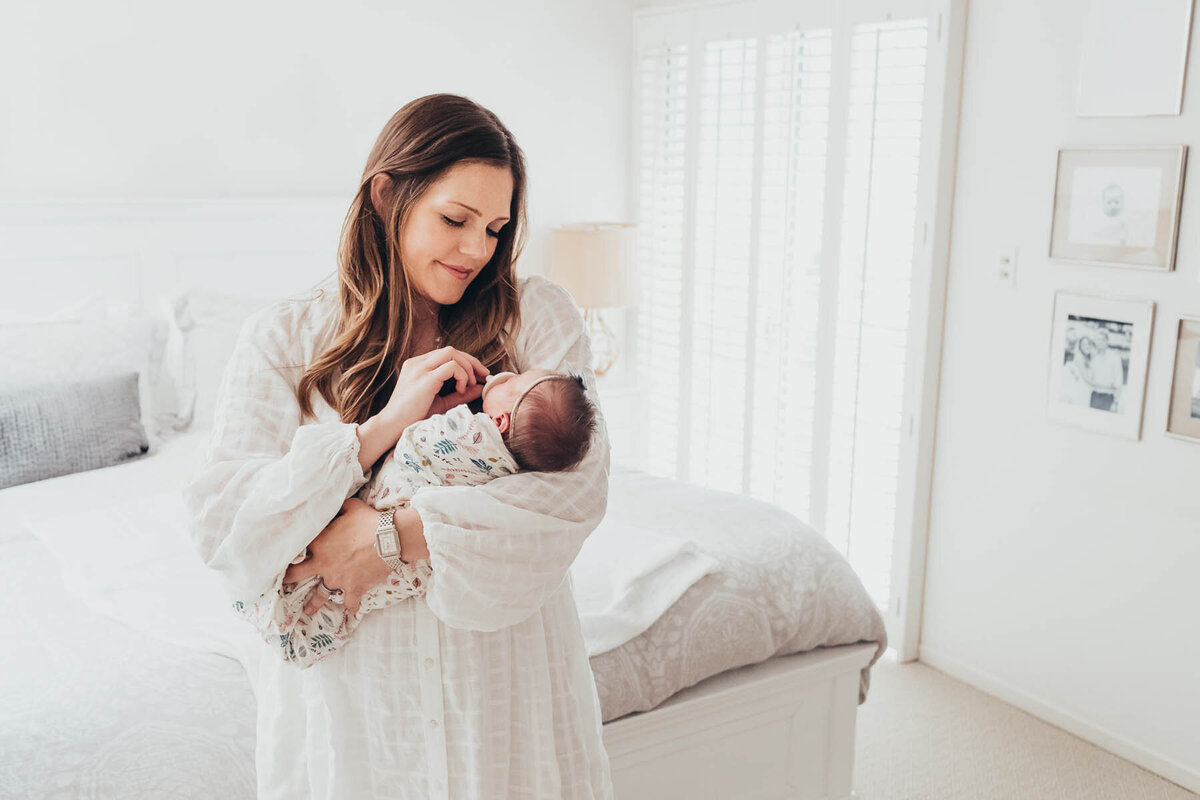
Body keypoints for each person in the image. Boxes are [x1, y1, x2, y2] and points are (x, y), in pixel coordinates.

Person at [184, 93, 614, 799]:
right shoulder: (282, 341)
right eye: (455, 219)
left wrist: (382, 538)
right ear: (387, 195)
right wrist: (380, 427)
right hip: (354, 718)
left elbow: (575, 492)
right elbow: (228, 529)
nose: (478, 249)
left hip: (505, 701)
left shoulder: (538, 319)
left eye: (496, 229)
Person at [238, 368, 597, 669]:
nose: (512, 374)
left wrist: (421, 419)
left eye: (515, 383)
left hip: (388, 507)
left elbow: (413, 448)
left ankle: (274, 605)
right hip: (413, 569)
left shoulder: (469, 434)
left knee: (307, 560)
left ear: (499, 422)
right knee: (356, 598)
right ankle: (305, 633)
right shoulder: (515, 470)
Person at [1086, 329, 1125, 412]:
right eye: (1098, 339)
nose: (1100, 342)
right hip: (1094, 396)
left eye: (1102, 340)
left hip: (1108, 397)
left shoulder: (1115, 358)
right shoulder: (1093, 358)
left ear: (1107, 341)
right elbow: (1090, 379)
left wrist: (1116, 402)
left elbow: (1119, 381)